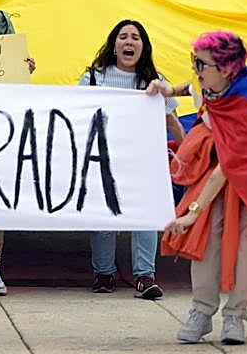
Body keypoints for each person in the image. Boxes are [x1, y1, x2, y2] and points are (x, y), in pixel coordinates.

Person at [152, 32, 247, 345]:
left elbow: (227, 168)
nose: (196, 68)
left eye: (202, 64)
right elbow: (192, 84)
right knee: (207, 235)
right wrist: (169, 89)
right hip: (224, 161)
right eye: (195, 61)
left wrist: (192, 211)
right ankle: (201, 311)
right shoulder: (211, 80)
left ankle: (235, 315)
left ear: (226, 69)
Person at [79, 20, 182, 299]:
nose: (129, 41)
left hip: (144, 163)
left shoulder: (156, 82)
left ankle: (144, 276)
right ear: (114, 46)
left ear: (143, 47)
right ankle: (103, 273)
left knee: (145, 217)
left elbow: (171, 121)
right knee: (103, 217)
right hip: (104, 160)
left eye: (135, 37)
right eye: (123, 37)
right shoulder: (92, 78)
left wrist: (187, 156)